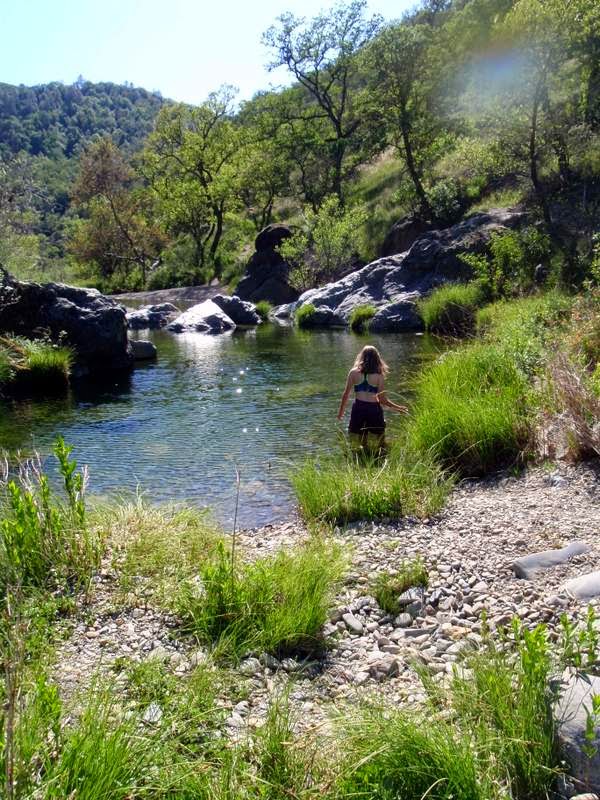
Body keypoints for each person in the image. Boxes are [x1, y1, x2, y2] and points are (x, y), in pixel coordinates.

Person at [337, 345, 408, 451]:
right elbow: (383, 400)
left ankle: (363, 455)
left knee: (362, 441)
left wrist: (340, 413)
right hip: (374, 409)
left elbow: (345, 395)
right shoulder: (379, 375)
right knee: (381, 440)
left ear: (361, 356)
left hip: (358, 409)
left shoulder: (353, 372)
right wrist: (398, 408)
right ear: (377, 358)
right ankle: (381, 456)